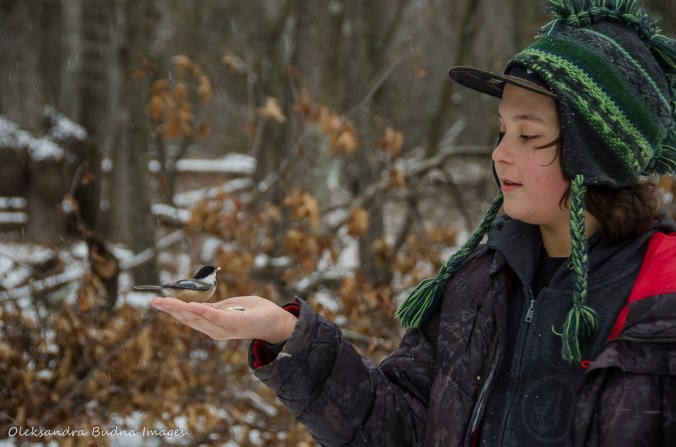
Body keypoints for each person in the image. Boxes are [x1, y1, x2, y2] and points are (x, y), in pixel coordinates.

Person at [151, 0, 676, 445]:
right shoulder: (481, 278)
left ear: (596, 154)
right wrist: (288, 334)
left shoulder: (663, 297)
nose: (500, 154)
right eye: (501, 132)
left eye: (529, 136)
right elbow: (400, 425)